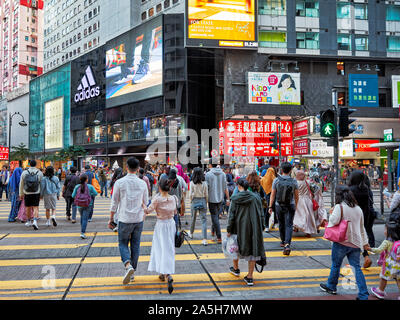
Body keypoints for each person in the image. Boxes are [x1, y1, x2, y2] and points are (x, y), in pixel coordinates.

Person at [320, 185, 370, 300]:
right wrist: (365, 243)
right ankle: (363, 294)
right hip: (356, 243)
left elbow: (333, 221)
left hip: (341, 242)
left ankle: (331, 286)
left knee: (336, 265)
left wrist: (331, 212)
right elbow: (362, 228)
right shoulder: (358, 209)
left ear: (338, 196)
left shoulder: (339, 207)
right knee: (357, 268)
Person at [108, 157, 148, 285]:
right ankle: (132, 272)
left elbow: (114, 202)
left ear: (126, 167)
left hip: (124, 218)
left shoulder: (119, 182)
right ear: (137, 169)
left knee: (123, 243)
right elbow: (146, 202)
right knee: (135, 245)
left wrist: (111, 219)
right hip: (138, 219)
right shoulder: (142, 183)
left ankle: (127, 265)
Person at [227, 178, 265, 286]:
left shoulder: (235, 198)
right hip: (254, 228)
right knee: (253, 250)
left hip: (238, 228)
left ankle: (236, 268)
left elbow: (231, 215)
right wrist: (262, 225)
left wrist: (229, 229)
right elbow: (261, 213)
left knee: (234, 247)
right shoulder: (256, 197)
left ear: (239, 187)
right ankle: (250, 277)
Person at [145, 177, 177, 294]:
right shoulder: (173, 198)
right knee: (169, 249)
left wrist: (142, 205)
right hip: (171, 224)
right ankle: (164, 273)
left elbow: (148, 211)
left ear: (159, 187)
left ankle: (167, 274)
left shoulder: (157, 199)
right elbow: (175, 212)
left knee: (160, 248)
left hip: (161, 226)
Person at [268, 162, 299, 256]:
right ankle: (287, 244)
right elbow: (297, 196)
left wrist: (270, 206)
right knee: (289, 224)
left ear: (281, 170)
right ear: (290, 170)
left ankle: (282, 241)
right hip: (290, 205)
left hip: (279, 205)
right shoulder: (294, 181)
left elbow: (273, 194)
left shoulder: (276, 180)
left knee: (281, 223)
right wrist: (296, 206)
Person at [348, 170, 374, 269]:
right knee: (361, 235)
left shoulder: (350, 189)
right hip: (364, 214)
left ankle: (359, 258)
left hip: (353, 215)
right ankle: (366, 256)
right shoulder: (365, 189)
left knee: (352, 238)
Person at [369, 221, 400, 299]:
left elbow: (378, 250)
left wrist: (370, 249)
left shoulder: (387, 242)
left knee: (383, 277)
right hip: (398, 263)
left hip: (389, 264)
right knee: (398, 279)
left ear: (389, 232)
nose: (384, 231)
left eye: (385, 229)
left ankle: (380, 291)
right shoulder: (398, 241)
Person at [206, 162, 230, 243]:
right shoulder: (223, 174)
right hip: (220, 199)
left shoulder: (208, 174)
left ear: (210, 165)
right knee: (215, 216)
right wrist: (228, 199)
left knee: (214, 217)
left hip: (211, 198)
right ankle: (213, 232)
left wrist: (205, 199)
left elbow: (207, 188)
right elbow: (225, 187)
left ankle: (219, 236)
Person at [19, 160, 44, 230]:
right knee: (36, 207)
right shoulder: (39, 173)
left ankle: (29, 221)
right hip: (36, 192)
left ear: (29, 164)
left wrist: (21, 193)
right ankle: (35, 221)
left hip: (27, 193)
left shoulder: (24, 172)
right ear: (36, 164)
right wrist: (41, 194)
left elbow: (21, 184)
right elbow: (42, 184)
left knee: (28, 207)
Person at [293, 170, 319, 237]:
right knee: (309, 216)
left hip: (299, 200)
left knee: (298, 215)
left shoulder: (295, 182)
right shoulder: (308, 182)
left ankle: (297, 227)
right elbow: (315, 190)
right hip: (308, 200)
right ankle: (308, 232)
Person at [71, 174, 98, 239]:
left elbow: (73, 195)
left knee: (82, 217)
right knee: (85, 218)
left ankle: (82, 229)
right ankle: (82, 232)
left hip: (79, 204)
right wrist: (90, 194)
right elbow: (96, 193)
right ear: (87, 179)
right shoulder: (90, 186)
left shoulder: (77, 186)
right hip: (88, 204)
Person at [188, 167, 208, 245]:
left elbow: (190, 194)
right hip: (202, 200)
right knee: (203, 220)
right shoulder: (205, 183)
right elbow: (207, 194)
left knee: (193, 218)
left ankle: (191, 233)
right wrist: (206, 202)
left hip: (194, 200)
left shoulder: (192, 183)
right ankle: (204, 239)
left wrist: (191, 201)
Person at [260, 167, 277, 231]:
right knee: (275, 211)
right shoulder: (275, 179)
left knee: (267, 212)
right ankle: (275, 223)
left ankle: (266, 226)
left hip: (266, 198)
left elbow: (261, 190)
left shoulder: (262, 180)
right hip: (275, 198)